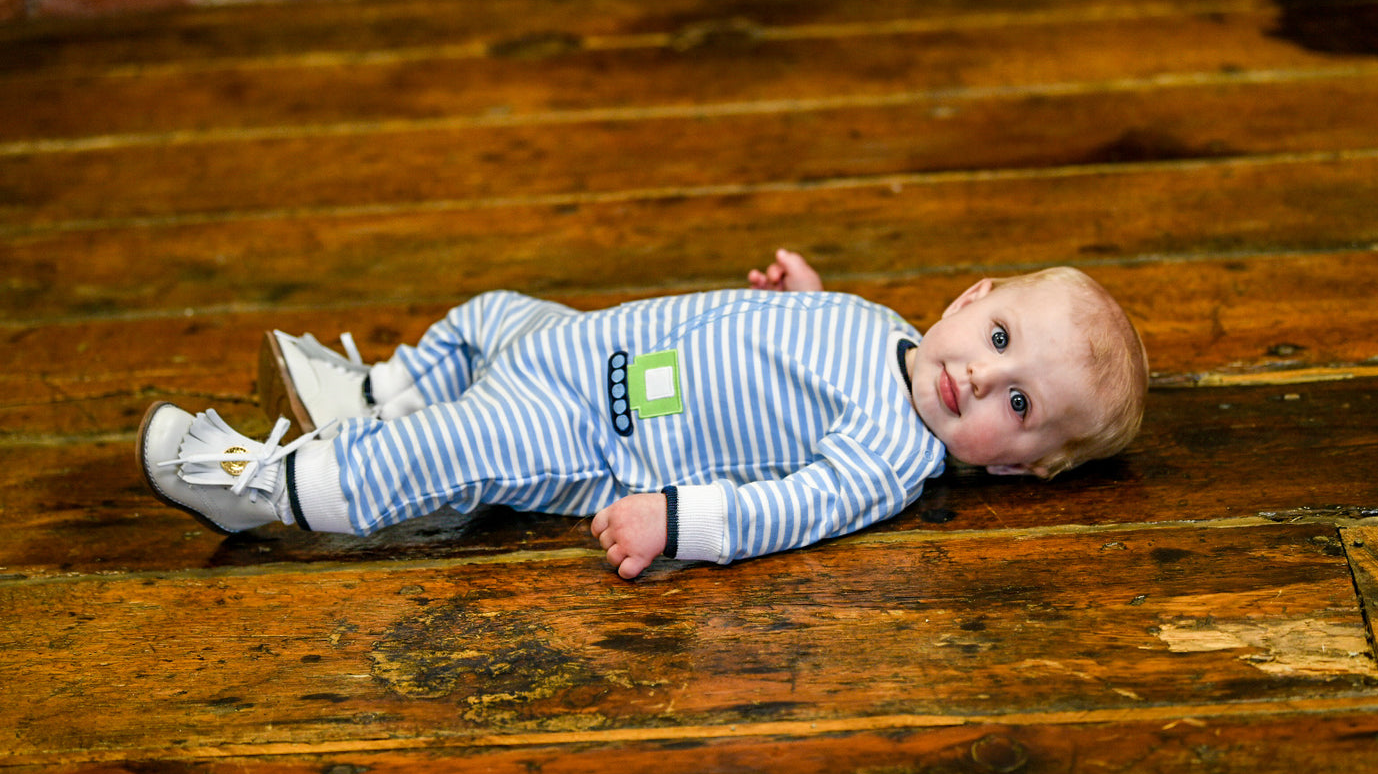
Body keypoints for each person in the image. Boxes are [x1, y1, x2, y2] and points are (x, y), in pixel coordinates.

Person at [137, 250, 1147, 579]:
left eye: (1018, 406)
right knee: (493, 312)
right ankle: (361, 397)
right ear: (969, 300)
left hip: (591, 435)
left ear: (1015, 467)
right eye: (1000, 341)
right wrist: (807, 298)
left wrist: (675, 520)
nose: (977, 379)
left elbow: (787, 510)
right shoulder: (884, 325)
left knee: (457, 447)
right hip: (580, 345)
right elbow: (814, 352)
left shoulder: (889, 458)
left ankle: (267, 492)